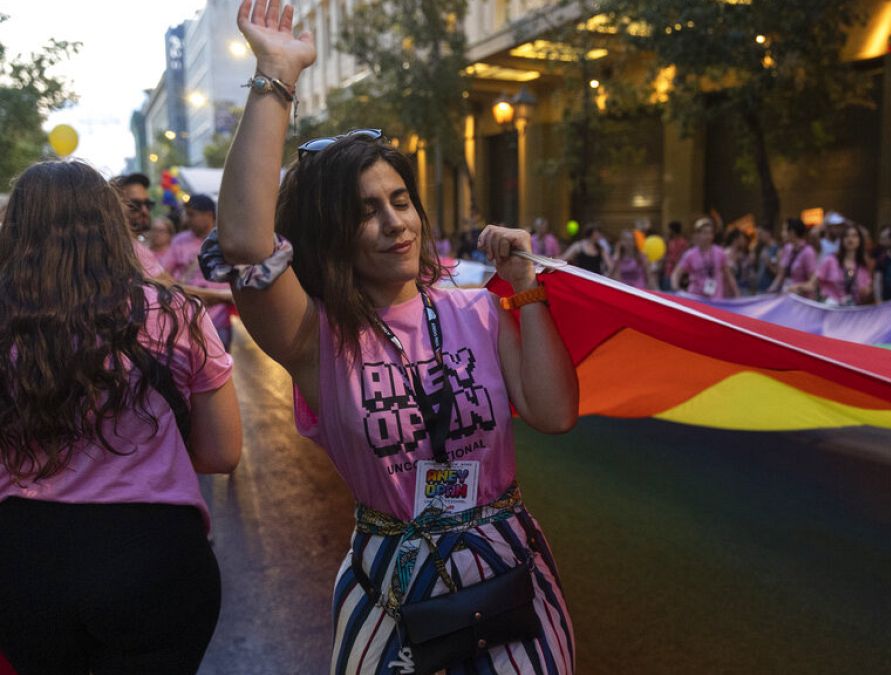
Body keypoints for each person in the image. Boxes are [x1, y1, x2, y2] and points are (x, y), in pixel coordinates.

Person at [210, 3, 579, 673]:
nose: (393, 222)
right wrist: (276, 75)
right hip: (392, 594)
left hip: (513, 573)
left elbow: (554, 414)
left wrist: (526, 283)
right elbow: (242, 241)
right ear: (331, 234)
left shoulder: (480, 309)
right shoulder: (312, 335)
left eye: (400, 200)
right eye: (365, 211)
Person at [0, 160, 242, 674]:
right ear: (112, 227)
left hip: (21, 558)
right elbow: (221, 454)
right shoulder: (175, 314)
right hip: (152, 556)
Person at [161, 194, 236, 350]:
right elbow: (163, 275)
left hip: (220, 319)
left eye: (192, 215)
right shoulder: (179, 241)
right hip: (186, 319)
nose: (187, 220)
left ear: (208, 215)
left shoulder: (227, 240)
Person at [671, 217, 740, 298]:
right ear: (698, 235)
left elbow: (728, 276)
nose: (707, 236)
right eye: (704, 233)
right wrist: (677, 289)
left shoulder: (720, 252)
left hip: (716, 300)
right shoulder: (690, 255)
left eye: (710, 233)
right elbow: (676, 273)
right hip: (696, 299)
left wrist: (736, 294)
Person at [813, 223, 872, 306]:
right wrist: (798, 287)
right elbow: (812, 284)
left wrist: (865, 292)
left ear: (860, 240)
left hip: (850, 312)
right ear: (841, 240)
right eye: (846, 236)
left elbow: (864, 296)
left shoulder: (862, 266)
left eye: (854, 236)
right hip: (830, 309)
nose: (850, 239)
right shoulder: (830, 260)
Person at [768, 218, 817, 295]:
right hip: (786, 297)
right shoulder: (787, 248)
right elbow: (781, 275)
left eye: (784, 230)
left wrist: (797, 287)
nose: (782, 233)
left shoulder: (808, 252)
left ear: (792, 232)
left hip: (801, 300)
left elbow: (812, 284)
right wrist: (770, 291)